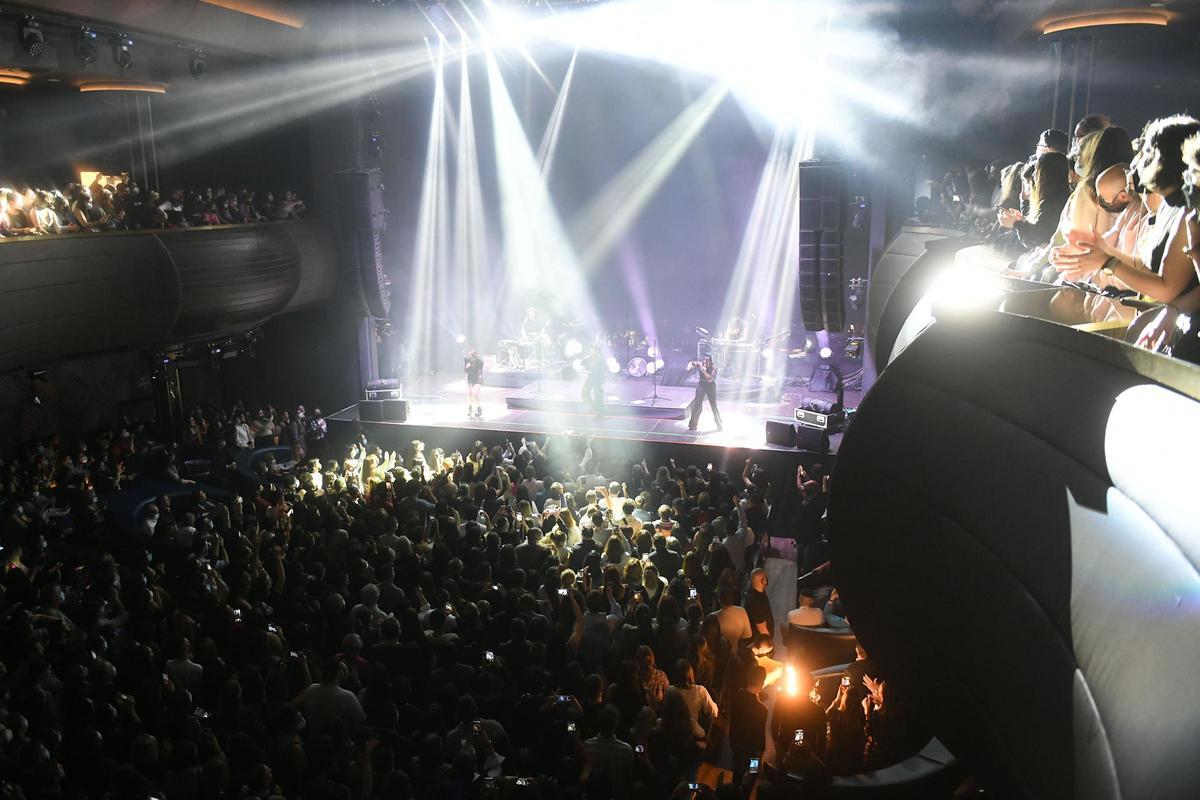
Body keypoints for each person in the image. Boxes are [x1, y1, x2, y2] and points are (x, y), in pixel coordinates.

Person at [997, 152, 1071, 248]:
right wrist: (1022, 217)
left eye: (1036, 169)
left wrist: (1016, 223)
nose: (1034, 174)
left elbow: (1035, 238)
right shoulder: (1057, 196)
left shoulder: (1053, 202)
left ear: (1045, 173)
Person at [728, 664, 769, 785]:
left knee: (737, 778)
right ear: (762, 683)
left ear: (748, 678)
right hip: (754, 753)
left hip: (737, 746)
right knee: (751, 777)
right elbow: (759, 735)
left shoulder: (737, 697)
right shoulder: (762, 709)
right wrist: (760, 755)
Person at [686, 355, 722, 432]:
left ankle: (719, 424)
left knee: (713, 405)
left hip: (710, 386)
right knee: (697, 404)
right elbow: (692, 362)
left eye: (706, 361)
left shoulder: (714, 368)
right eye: (703, 361)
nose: (704, 363)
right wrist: (690, 365)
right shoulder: (701, 364)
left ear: (710, 362)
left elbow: (710, 379)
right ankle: (693, 424)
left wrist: (704, 371)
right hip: (701, 385)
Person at [744, 568, 775, 644]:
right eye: (765, 578)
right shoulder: (756, 602)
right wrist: (769, 643)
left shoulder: (757, 592)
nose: (767, 580)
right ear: (762, 581)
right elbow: (762, 628)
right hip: (760, 642)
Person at [581, 345, 605, 415]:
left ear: (596, 352)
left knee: (598, 396)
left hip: (598, 380)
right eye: (590, 351)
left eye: (592, 351)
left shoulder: (600, 360)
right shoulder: (589, 358)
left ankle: (599, 411)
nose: (590, 352)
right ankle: (593, 406)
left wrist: (602, 383)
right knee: (584, 392)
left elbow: (602, 372)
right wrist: (585, 358)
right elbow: (581, 363)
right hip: (591, 378)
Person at [464, 349, 484, 419]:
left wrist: (480, 381)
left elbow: (480, 372)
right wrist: (467, 366)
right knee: (469, 394)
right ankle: (470, 409)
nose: (471, 357)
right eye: (471, 355)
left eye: (473, 355)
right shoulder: (467, 360)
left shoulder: (480, 362)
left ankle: (479, 409)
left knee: (474, 395)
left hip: (476, 380)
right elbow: (465, 371)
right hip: (469, 380)